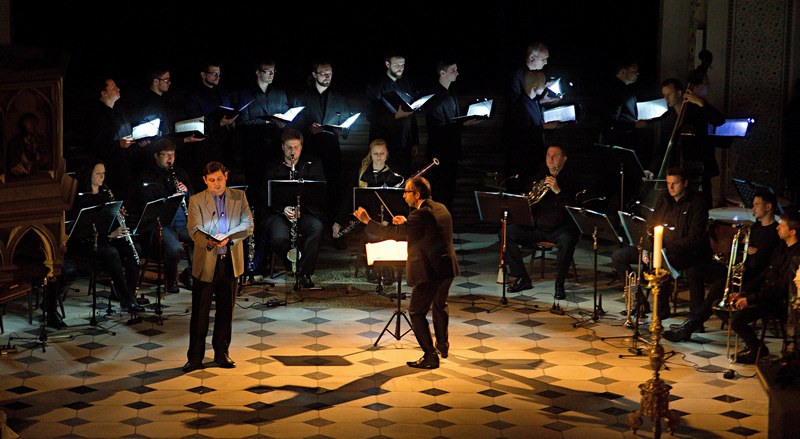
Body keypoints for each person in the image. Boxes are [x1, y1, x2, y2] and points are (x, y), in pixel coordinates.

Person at [353, 176, 459, 369]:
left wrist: (368, 221)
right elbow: (421, 228)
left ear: (417, 194)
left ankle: (430, 355)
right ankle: (442, 345)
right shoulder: (440, 208)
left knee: (416, 312)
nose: (403, 196)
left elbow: (391, 233)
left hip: (430, 272)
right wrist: (406, 224)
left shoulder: (419, 215)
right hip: (447, 268)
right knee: (439, 304)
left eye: (407, 192)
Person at [184, 161, 253, 373]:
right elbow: (193, 229)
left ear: (226, 176)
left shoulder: (238, 197)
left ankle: (222, 353)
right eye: (212, 180)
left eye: (219, 179)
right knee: (200, 312)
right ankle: (195, 357)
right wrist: (210, 241)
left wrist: (229, 238)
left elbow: (248, 224)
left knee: (226, 312)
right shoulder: (196, 200)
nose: (216, 184)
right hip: (207, 261)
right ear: (205, 181)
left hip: (230, 261)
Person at [66, 160, 145, 316]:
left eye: (104, 173)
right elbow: (83, 229)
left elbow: (108, 222)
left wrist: (119, 216)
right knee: (111, 253)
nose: (102, 177)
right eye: (98, 173)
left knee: (135, 247)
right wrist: (110, 234)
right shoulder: (80, 199)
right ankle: (126, 296)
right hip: (87, 242)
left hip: (106, 238)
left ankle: (129, 294)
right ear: (89, 175)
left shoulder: (104, 195)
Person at [657, 167, 726, 342]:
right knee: (652, 260)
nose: (671, 187)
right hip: (668, 249)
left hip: (692, 253)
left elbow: (694, 237)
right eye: (668, 183)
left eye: (675, 183)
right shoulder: (665, 199)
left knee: (667, 265)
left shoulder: (698, 203)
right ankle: (656, 308)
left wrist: (668, 247)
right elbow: (654, 223)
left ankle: (666, 312)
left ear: (685, 183)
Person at [504, 145, 580, 300]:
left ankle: (559, 285)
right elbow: (528, 200)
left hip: (561, 228)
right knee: (507, 232)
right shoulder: (539, 175)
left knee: (567, 240)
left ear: (564, 159)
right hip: (538, 227)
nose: (551, 159)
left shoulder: (572, 178)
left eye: (555, 156)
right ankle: (522, 278)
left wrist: (558, 190)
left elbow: (574, 208)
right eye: (548, 155)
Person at [729, 209, 800, 363]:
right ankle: (754, 346)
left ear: (792, 231)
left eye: (781, 225)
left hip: (779, 303)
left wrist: (751, 299)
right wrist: (743, 293)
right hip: (766, 296)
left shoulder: (796, 257)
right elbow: (765, 275)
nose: (777, 228)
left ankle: (756, 349)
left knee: (736, 320)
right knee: (723, 307)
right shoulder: (781, 248)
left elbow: (780, 289)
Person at [259, 129, 326, 288]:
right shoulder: (273, 167)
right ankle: (294, 266)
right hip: (280, 214)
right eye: (289, 147)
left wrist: (301, 208)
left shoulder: (313, 164)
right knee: (278, 238)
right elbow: (264, 195)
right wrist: (283, 209)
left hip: (304, 212)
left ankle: (305, 272)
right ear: (282, 147)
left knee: (317, 227)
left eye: (296, 147)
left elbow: (320, 194)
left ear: (301, 147)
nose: (293, 151)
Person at [292, 61, 351, 225]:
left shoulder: (338, 98)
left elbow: (346, 125)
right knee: (311, 188)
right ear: (314, 75)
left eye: (330, 73)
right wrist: (307, 128)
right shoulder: (303, 97)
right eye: (324, 73)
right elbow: (294, 123)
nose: (327, 77)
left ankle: (333, 228)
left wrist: (343, 130)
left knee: (333, 188)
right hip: (310, 150)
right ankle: (309, 226)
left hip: (332, 150)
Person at [649, 77, 725, 205]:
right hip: (677, 169)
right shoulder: (668, 117)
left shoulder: (696, 109)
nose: (666, 99)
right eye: (664, 95)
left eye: (669, 94)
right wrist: (652, 169)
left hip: (698, 169)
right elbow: (663, 145)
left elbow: (719, 120)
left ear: (679, 93)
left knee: (701, 204)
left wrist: (701, 102)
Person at [137, 139, 194, 295]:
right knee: (176, 250)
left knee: (207, 241)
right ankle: (170, 281)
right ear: (156, 156)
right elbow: (147, 203)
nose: (170, 159)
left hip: (183, 224)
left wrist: (186, 191)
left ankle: (188, 274)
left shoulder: (180, 173)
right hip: (162, 225)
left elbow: (194, 198)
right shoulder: (148, 176)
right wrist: (170, 196)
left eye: (173, 155)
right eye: (166, 155)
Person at [424, 59, 481, 211]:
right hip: (439, 153)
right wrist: (465, 123)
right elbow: (440, 127)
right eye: (453, 70)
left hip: (451, 151)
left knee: (449, 191)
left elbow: (452, 121)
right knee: (439, 191)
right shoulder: (434, 96)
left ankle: (445, 224)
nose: (457, 72)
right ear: (442, 72)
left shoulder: (451, 92)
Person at [88, 77, 150, 202]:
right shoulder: (96, 116)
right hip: (114, 171)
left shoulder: (119, 111)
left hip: (130, 168)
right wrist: (119, 145)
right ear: (104, 93)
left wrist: (138, 143)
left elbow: (129, 138)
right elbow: (96, 145)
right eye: (113, 87)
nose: (118, 89)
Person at [237, 59, 290, 203]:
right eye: (267, 71)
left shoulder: (279, 93)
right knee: (256, 185)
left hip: (274, 146)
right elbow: (242, 122)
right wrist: (266, 121)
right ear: (257, 72)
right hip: (254, 146)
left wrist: (284, 121)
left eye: (273, 71)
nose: (271, 74)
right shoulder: (246, 93)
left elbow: (286, 117)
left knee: (273, 185)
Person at [503, 70, 562, 194]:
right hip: (523, 160)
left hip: (533, 158)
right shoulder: (519, 106)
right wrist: (545, 126)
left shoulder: (533, 102)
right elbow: (521, 132)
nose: (545, 86)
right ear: (534, 85)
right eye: (543, 83)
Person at [364, 53, 421, 176]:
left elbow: (412, 114)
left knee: (404, 177)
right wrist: (395, 116)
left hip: (405, 142)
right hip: (384, 141)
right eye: (397, 65)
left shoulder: (407, 85)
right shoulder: (375, 87)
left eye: (403, 65)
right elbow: (370, 115)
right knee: (384, 177)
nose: (400, 68)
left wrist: (415, 141)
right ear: (387, 64)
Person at [183, 62, 238, 185]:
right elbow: (195, 122)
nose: (217, 77)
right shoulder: (194, 96)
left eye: (219, 74)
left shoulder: (222, 92)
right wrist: (219, 123)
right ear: (203, 74)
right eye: (214, 74)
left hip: (224, 144)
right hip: (206, 147)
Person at [7, 112, 51, 177]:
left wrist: (37, 163)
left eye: (34, 123)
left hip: (39, 175)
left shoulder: (41, 140)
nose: (33, 125)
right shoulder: (14, 143)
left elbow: (47, 159)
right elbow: (12, 164)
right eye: (30, 123)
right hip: (20, 177)